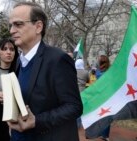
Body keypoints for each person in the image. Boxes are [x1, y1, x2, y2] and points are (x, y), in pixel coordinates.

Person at [8, 2, 83, 141]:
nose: (12, 30)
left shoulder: (58, 59)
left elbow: (74, 107)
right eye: (11, 25)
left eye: (18, 24)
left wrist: (37, 121)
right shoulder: (18, 61)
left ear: (38, 27)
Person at [95, 53, 110, 141]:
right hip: (107, 95)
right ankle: (105, 134)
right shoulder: (110, 71)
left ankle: (103, 134)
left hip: (100, 95)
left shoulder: (98, 72)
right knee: (106, 114)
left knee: (101, 114)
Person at [75, 59, 89, 129]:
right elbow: (88, 80)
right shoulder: (86, 72)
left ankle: (73, 123)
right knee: (80, 107)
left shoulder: (72, 70)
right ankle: (78, 124)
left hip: (74, 90)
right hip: (82, 90)